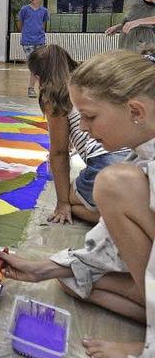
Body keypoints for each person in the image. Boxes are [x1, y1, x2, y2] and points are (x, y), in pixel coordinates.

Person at [0, 48, 155, 358]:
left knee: (112, 183)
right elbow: (108, 243)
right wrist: (43, 269)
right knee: (69, 279)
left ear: (136, 111)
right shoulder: (140, 156)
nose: (87, 127)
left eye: (92, 117)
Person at [27, 44, 130, 224]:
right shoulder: (91, 82)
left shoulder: (54, 94)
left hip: (105, 163)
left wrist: (62, 202)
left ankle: (128, 220)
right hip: (137, 157)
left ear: (39, 75)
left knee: (72, 204)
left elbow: (59, 151)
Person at [17, 0, 50, 98]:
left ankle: (37, 88)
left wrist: (39, 34)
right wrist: (26, 34)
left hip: (40, 41)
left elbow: (43, 24)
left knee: (41, 66)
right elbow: (20, 24)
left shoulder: (44, 11)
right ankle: (36, 87)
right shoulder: (24, 10)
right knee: (34, 66)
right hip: (27, 42)